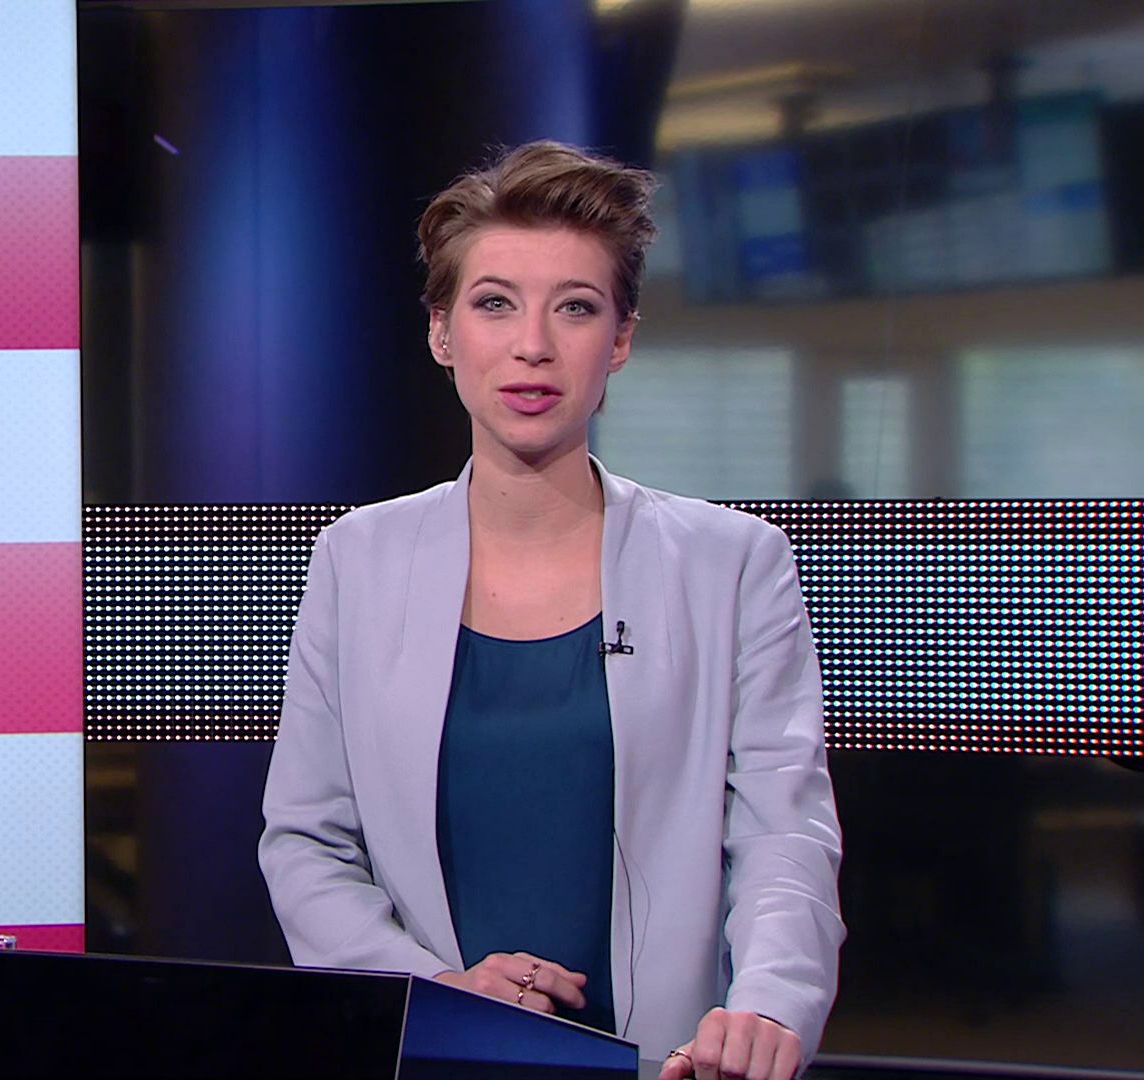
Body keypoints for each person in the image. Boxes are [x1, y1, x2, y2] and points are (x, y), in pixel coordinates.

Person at [257, 141, 843, 1080]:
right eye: (495, 303)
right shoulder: (356, 560)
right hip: (432, 1055)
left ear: (621, 339)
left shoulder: (733, 563)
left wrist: (769, 1004)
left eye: (575, 307)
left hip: (671, 1063)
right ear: (442, 332)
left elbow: (783, 833)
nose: (533, 345)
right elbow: (308, 843)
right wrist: (433, 991)